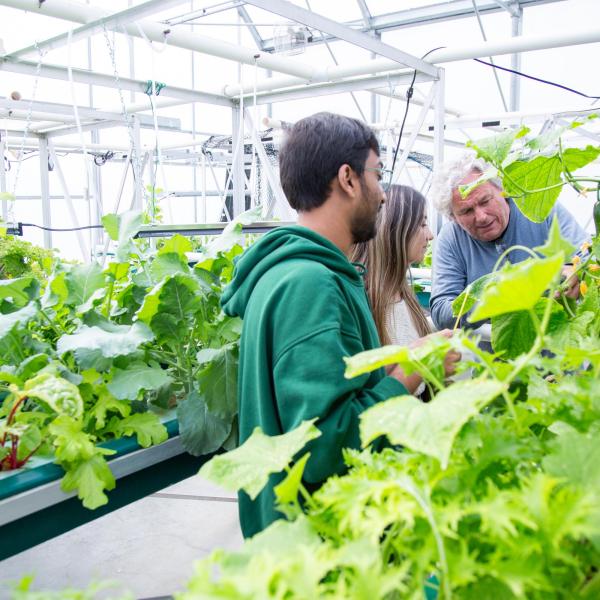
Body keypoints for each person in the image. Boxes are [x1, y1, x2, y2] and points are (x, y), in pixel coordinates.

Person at [221, 112, 423, 538]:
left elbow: (328, 397)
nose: (384, 195)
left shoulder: (298, 274)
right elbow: (323, 444)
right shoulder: (310, 285)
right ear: (348, 179)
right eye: (378, 176)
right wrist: (410, 374)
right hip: (322, 543)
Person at [429, 152, 589, 330]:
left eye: (485, 201)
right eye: (466, 211)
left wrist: (575, 270)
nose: (481, 217)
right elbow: (442, 312)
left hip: (554, 346)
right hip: (487, 354)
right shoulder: (451, 238)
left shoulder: (540, 209)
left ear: (502, 189)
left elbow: (587, 258)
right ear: (453, 217)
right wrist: (499, 299)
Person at [351, 184, 459, 396]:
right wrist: (429, 362)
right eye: (422, 224)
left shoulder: (403, 293)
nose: (430, 235)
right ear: (394, 229)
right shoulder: (359, 299)